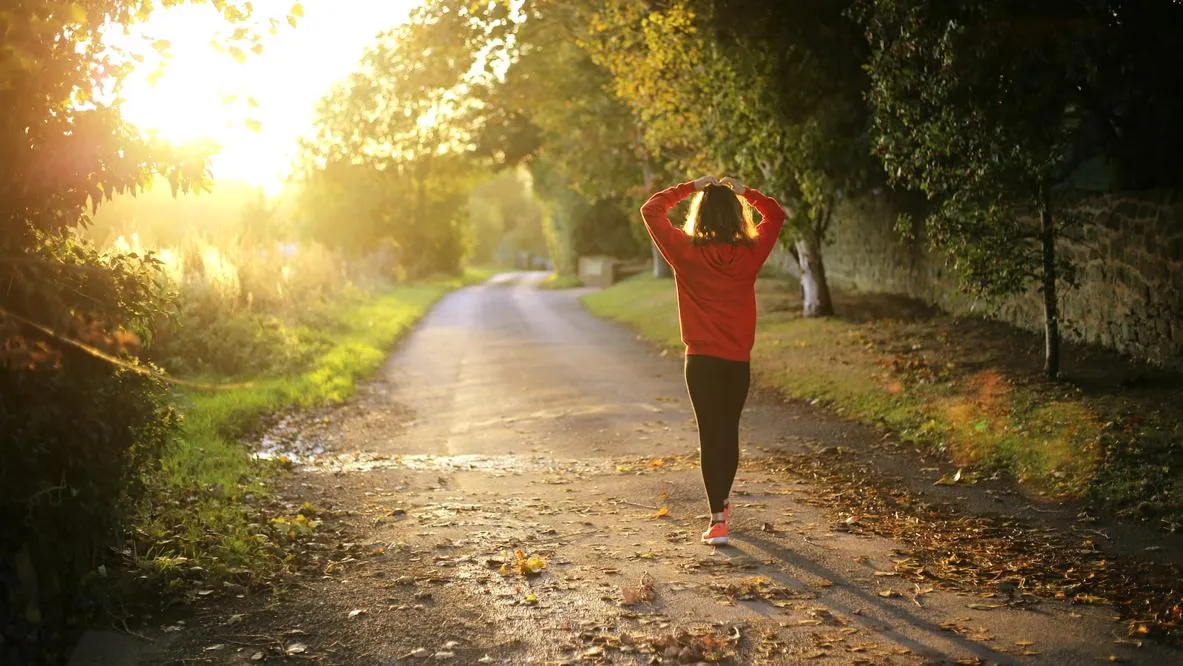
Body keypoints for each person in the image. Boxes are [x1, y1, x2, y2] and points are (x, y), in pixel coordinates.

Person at [639, 175, 786, 545]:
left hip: (701, 362)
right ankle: (722, 504)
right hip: (736, 361)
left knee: (710, 434)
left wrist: (691, 187)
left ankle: (717, 519)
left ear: (699, 216)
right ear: (737, 217)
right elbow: (776, 215)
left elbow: (651, 210)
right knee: (728, 432)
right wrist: (745, 192)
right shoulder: (750, 253)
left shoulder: (685, 252)